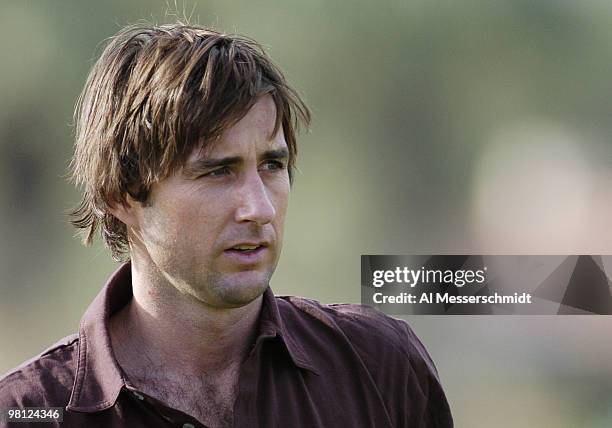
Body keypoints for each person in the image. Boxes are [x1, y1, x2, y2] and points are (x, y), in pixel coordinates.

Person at [0, 23, 453, 427]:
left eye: (272, 165)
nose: (258, 208)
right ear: (123, 194)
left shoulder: (377, 367)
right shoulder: (30, 412)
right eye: (218, 171)